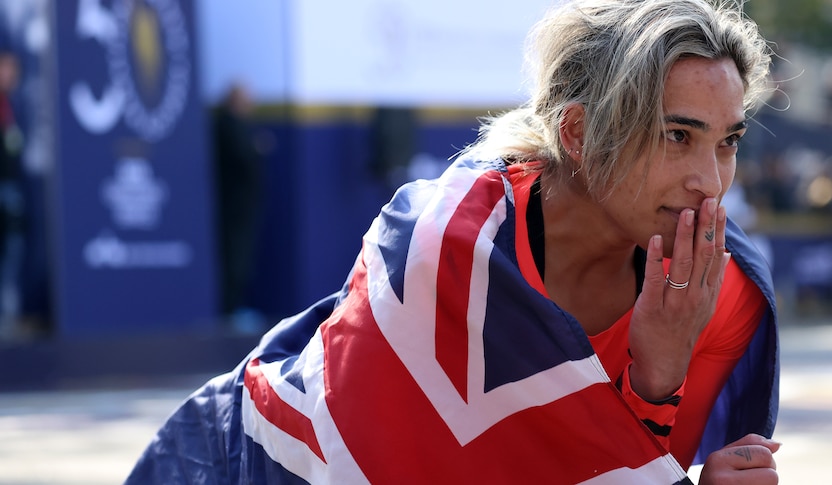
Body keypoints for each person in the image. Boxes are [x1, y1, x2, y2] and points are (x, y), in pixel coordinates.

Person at [127, 0, 780, 483]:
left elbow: (627, 466)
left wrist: (658, 380)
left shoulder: (723, 291)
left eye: (728, 142)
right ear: (578, 134)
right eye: (677, 136)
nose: (709, 182)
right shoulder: (445, 242)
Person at [211, 83, 265, 332]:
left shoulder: (239, 126)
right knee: (233, 254)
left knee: (243, 255)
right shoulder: (226, 126)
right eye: (246, 99)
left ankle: (236, 307)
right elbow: (245, 155)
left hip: (244, 205)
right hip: (232, 205)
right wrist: (256, 148)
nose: (250, 105)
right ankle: (230, 310)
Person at [0, 49, 24, 339]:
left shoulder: (15, 105)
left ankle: (9, 316)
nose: (9, 74)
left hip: (11, 188)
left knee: (13, 251)